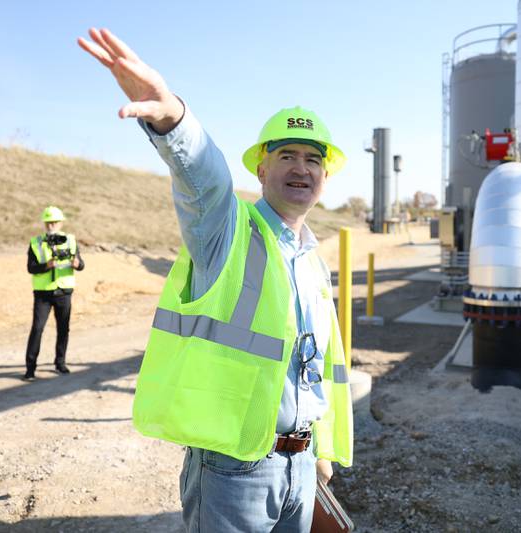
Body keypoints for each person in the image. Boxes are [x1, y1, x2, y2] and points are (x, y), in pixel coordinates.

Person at [78, 28, 353, 532]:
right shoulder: (228, 233)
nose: (301, 167)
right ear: (262, 167)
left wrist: (319, 449)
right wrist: (171, 118)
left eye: (313, 158)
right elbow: (205, 179)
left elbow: (313, 364)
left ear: (324, 177)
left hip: (302, 463)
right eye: (288, 155)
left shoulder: (312, 259)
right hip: (235, 468)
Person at [24, 205, 84, 381]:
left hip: (64, 292)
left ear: (61, 223)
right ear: (45, 223)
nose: (51, 226)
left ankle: (60, 363)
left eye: (55, 222)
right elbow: (30, 268)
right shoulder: (36, 242)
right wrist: (46, 266)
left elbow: (81, 265)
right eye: (48, 222)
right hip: (43, 294)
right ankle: (30, 368)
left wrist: (77, 264)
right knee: (37, 329)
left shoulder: (71, 240)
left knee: (63, 329)